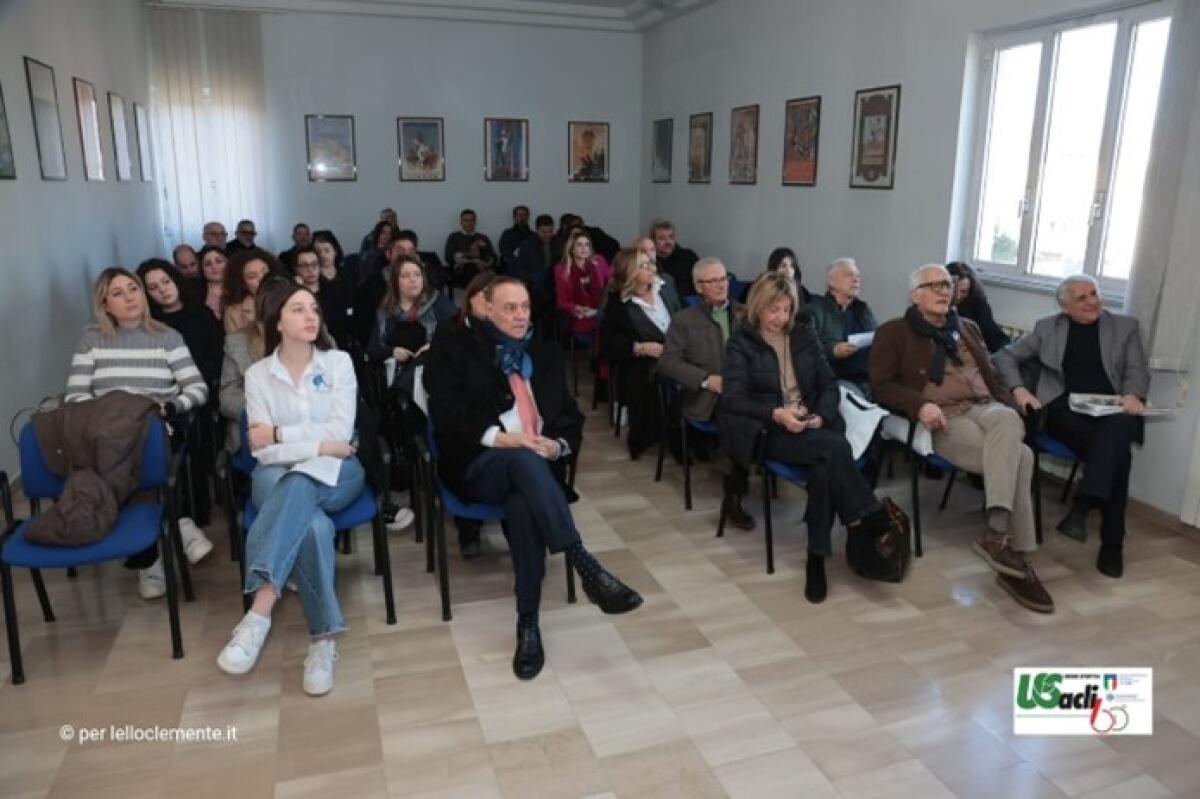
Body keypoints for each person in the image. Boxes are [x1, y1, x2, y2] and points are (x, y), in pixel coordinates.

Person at [423, 276, 643, 680]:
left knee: (523, 503)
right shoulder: (454, 347)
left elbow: (570, 420)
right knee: (522, 459)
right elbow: (447, 413)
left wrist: (556, 445)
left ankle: (529, 624)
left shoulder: (543, 351)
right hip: (479, 461)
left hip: (536, 469)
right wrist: (503, 439)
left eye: (525, 307)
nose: (521, 315)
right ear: (485, 308)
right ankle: (583, 562)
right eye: (510, 308)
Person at [869, 263, 1055, 614]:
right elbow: (880, 386)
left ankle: (997, 535)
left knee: (1008, 416)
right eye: (934, 284)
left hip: (985, 408)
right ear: (915, 295)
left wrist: (1013, 393)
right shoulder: (895, 332)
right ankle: (1016, 557)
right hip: (944, 417)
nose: (944, 290)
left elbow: (993, 375)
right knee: (1024, 458)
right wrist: (919, 404)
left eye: (947, 284)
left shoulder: (967, 327)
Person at [216, 283, 362, 696]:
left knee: (300, 481)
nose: (310, 316)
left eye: (313, 308)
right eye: (297, 309)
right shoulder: (259, 375)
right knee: (312, 525)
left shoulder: (338, 364)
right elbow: (261, 452)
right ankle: (323, 641)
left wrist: (282, 433)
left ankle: (259, 611)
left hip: (340, 471)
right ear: (276, 319)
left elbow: (340, 433)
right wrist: (318, 444)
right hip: (274, 474)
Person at [721, 272, 893, 603]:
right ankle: (866, 519)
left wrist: (821, 416)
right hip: (769, 430)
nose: (780, 318)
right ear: (758, 307)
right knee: (834, 448)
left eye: (786, 310)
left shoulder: (803, 335)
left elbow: (829, 384)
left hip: (812, 425)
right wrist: (777, 413)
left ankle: (818, 559)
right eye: (773, 310)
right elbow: (733, 398)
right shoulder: (741, 343)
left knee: (825, 469)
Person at [66, 268, 213, 598]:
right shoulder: (92, 339)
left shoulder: (167, 336)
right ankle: (178, 523)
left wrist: (170, 407)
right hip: (106, 431)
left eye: (133, 288)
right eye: (117, 293)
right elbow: (75, 396)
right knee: (117, 445)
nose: (130, 296)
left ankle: (148, 560)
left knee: (138, 443)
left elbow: (197, 388)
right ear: (104, 304)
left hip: (155, 425)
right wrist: (107, 415)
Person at [993, 274, 1150, 578]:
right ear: (1065, 307)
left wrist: (1132, 395)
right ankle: (1110, 543)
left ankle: (1084, 505)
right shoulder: (1047, 328)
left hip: (1112, 410)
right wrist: (1020, 390)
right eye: (1082, 297)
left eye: (1094, 293)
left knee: (1116, 432)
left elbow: (1137, 371)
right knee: (1118, 455)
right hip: (1067, 411)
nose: (1093, 301)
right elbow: (1003, 357)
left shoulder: (1125, 327)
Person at [656, 257, 754, 529]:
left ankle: (744, 474)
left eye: (725, 279)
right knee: (737, 417)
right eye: (714, 281)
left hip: (744, 392)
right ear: (699, 287)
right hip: (705, 396)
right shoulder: (683, 320)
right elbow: (667, 362)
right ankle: (733, 495)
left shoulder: (746, 315)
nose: (722, 285)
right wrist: (705, 380)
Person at [138, 258, 225, 532]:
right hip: (164, 394)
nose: (163, 290)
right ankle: (171, 513)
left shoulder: (202, 314)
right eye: (153, 287)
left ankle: (196, 513)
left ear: (175, 280)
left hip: (201, 392)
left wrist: (192, 384)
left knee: (193, 427)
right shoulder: (149, 326)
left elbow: (216, 360)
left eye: (165, 281)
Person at [600, 247, 682, 459]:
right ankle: (646, 435)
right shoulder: (619, 302)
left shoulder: (664, 288)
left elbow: (681, 319)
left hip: (675, 353)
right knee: (646, 377)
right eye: (643, 265)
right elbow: (608, 343)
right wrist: (640, 347)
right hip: (642, 360)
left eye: (650, 264)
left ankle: (684, 436)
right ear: (630, 272)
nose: (651, 269)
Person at [367, 253, 454, 387]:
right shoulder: (385, 311)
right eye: (405, 276)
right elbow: (373, 349)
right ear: (396, 281)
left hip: (434, 374)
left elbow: (459, 334)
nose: (413, 279)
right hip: (395, 371)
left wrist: (434, 346)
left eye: (417, 274)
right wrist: (392, 352)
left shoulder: (438, 303)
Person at [808, 258, 878, 395]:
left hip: (868, 378)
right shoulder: (816, 309)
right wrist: (833, 350)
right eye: (849, 275)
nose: (856, 279)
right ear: (831, 282)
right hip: (836, 379)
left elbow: (878, 338)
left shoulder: (863, 309)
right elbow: (807, 348)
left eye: (857, 276)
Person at [554, 228, 611, 338]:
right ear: (571, 249)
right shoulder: (561, 270)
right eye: (579, 245)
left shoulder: (599, 261)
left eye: (587, 245)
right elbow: (562, 301)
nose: (584, 248)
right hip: (580, 315)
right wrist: (578, 308)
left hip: (600, 311)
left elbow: (613, 283)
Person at [946, 261, 1010, 353]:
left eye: (963, 291)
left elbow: (994, 336)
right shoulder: (938, 306)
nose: (958, 296)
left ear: (971, 290)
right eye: (954, 290)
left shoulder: (979, 306)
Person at [310, 230, 357, 351]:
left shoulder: (347, 274)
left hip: (348, 332)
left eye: (327, 250)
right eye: (318, 252)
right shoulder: (312, 279)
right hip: (323, 334)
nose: (322, 255)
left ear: (335, 251)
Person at [513, 214, 558, 334]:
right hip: (533, 285)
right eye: (543, 232)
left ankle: (551, 338)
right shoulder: (527, 246)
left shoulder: (559, 244)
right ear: (537, 230)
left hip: (554, 285)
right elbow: (520, 270)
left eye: (549, 231)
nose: (547, 235)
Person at [222, 248, 278, 334]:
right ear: (243, 284)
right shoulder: (234, 312)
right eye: (252, 276)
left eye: (265, 272)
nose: (262, 279)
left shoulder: (291, 298)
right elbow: (236, 346)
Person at [444, 209, 494, 287]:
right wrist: (472, 256)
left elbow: (492, 256)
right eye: (465, 220)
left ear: (475, 222)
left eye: (471, 220)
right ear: (461, 222)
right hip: (462, 270)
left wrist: (483, 251)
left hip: (480, 268)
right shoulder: (454, 237)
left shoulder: (483, 237)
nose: (469, 223)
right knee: (470, 266)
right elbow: (448, 256)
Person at [651, 219, 700, 297]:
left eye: (671, 237)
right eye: (662, 238)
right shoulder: (649, 262)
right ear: (653, 241)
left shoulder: (688, 256)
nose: (668, 242)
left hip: (691, 302)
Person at [197, 244, 229, 321]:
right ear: (202, 270)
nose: (214, 267)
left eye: (218, 261)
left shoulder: (241, 289)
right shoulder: (195, 294)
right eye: (208, 264)